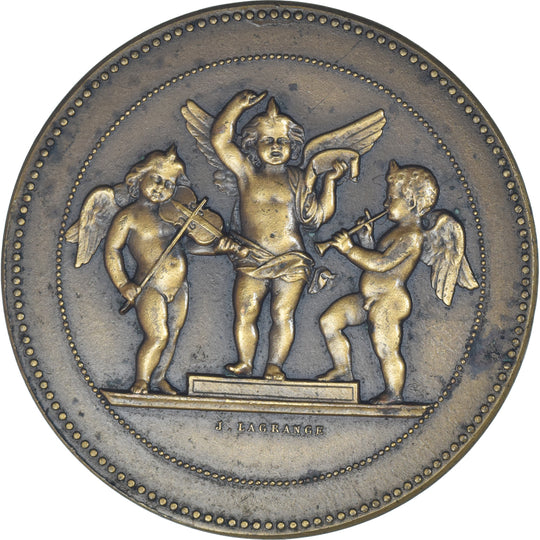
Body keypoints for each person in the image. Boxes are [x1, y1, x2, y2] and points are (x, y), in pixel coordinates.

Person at [211, 90, 355, 380]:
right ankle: (246, 362)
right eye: (268, 140)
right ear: (253, 144)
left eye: (283, 141)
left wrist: (329, 183)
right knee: (246, 311)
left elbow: (316, 217)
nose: (276, 146)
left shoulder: (298, 178)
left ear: (293, 146)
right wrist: (236, 106)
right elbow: (220, 141)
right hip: (251, 255)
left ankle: (274, 365)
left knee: (282, 314)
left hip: (291, 258)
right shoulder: (247, 173)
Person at [317, 160, 439, 404]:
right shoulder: (396, 231)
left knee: (385, 347)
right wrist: (366, 240)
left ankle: (394, 393)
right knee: (329, 321)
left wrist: (349, 249)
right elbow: (375, 258)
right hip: (368, 298)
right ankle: (343, 369)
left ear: (412, 202)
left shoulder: (412, 236)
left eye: (391, 198)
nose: (385, 203)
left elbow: (382, 263)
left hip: (389, 300)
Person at [104, 147, 192, 395]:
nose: (162, 188)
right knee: (158, 335)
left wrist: (218, 246)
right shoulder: (128, 216)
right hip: (150, 286)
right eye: (157, 179)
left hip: (179, 287)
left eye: (169, 184)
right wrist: (123, 283)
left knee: (172, 335)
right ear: (140, 176)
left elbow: (193, 245)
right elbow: (112, 250)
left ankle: (159, 378)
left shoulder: (172, 214)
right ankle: (141, 380)